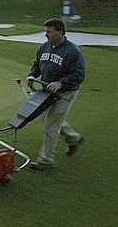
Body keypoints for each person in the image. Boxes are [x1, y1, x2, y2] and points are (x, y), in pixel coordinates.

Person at [25, 18, 85, 171]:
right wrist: (32, 75)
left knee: (50, 126)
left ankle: (46, 160)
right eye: (46, 31)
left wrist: (60, 83)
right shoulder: (44, 47)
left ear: (60, 32)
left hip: (66, 93)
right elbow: (37, 64)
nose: (46, 35)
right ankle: (74, 138)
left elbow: (79, 75)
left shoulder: (72, 51)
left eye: (49, 32)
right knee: (50, 120)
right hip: (47, 91)